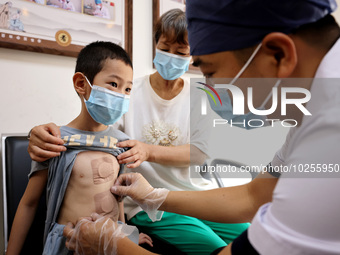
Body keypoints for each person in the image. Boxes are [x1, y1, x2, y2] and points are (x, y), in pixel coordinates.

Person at [63, 0, 340, 254]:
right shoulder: (315, 109)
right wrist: (154, 196)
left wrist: (113, 247)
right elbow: (253, 196)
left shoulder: (331, 133)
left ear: (279, 55)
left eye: (210, 72)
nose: (211, 89)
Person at [26, 9, 250, 255]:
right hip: (144, 203)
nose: (172, 56)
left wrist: (147, 151)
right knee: (215, 247)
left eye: (181, 52)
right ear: (155, 45)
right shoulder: (128, 92)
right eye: (165, 48)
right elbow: (95, 133)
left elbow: (199, 153)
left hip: (194, 195)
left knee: (251, 233)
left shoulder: (201, 96)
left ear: (192, 55)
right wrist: (41, 133)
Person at [6, 41, 146, 255]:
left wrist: (125, 233)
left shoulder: (122, 143)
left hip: (109, 244)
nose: (122, 95)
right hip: (68, 244)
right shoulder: (53, 140)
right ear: (82, 83)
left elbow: (118, 197)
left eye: (127, 88)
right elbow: (29, 203)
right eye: (113, 85)